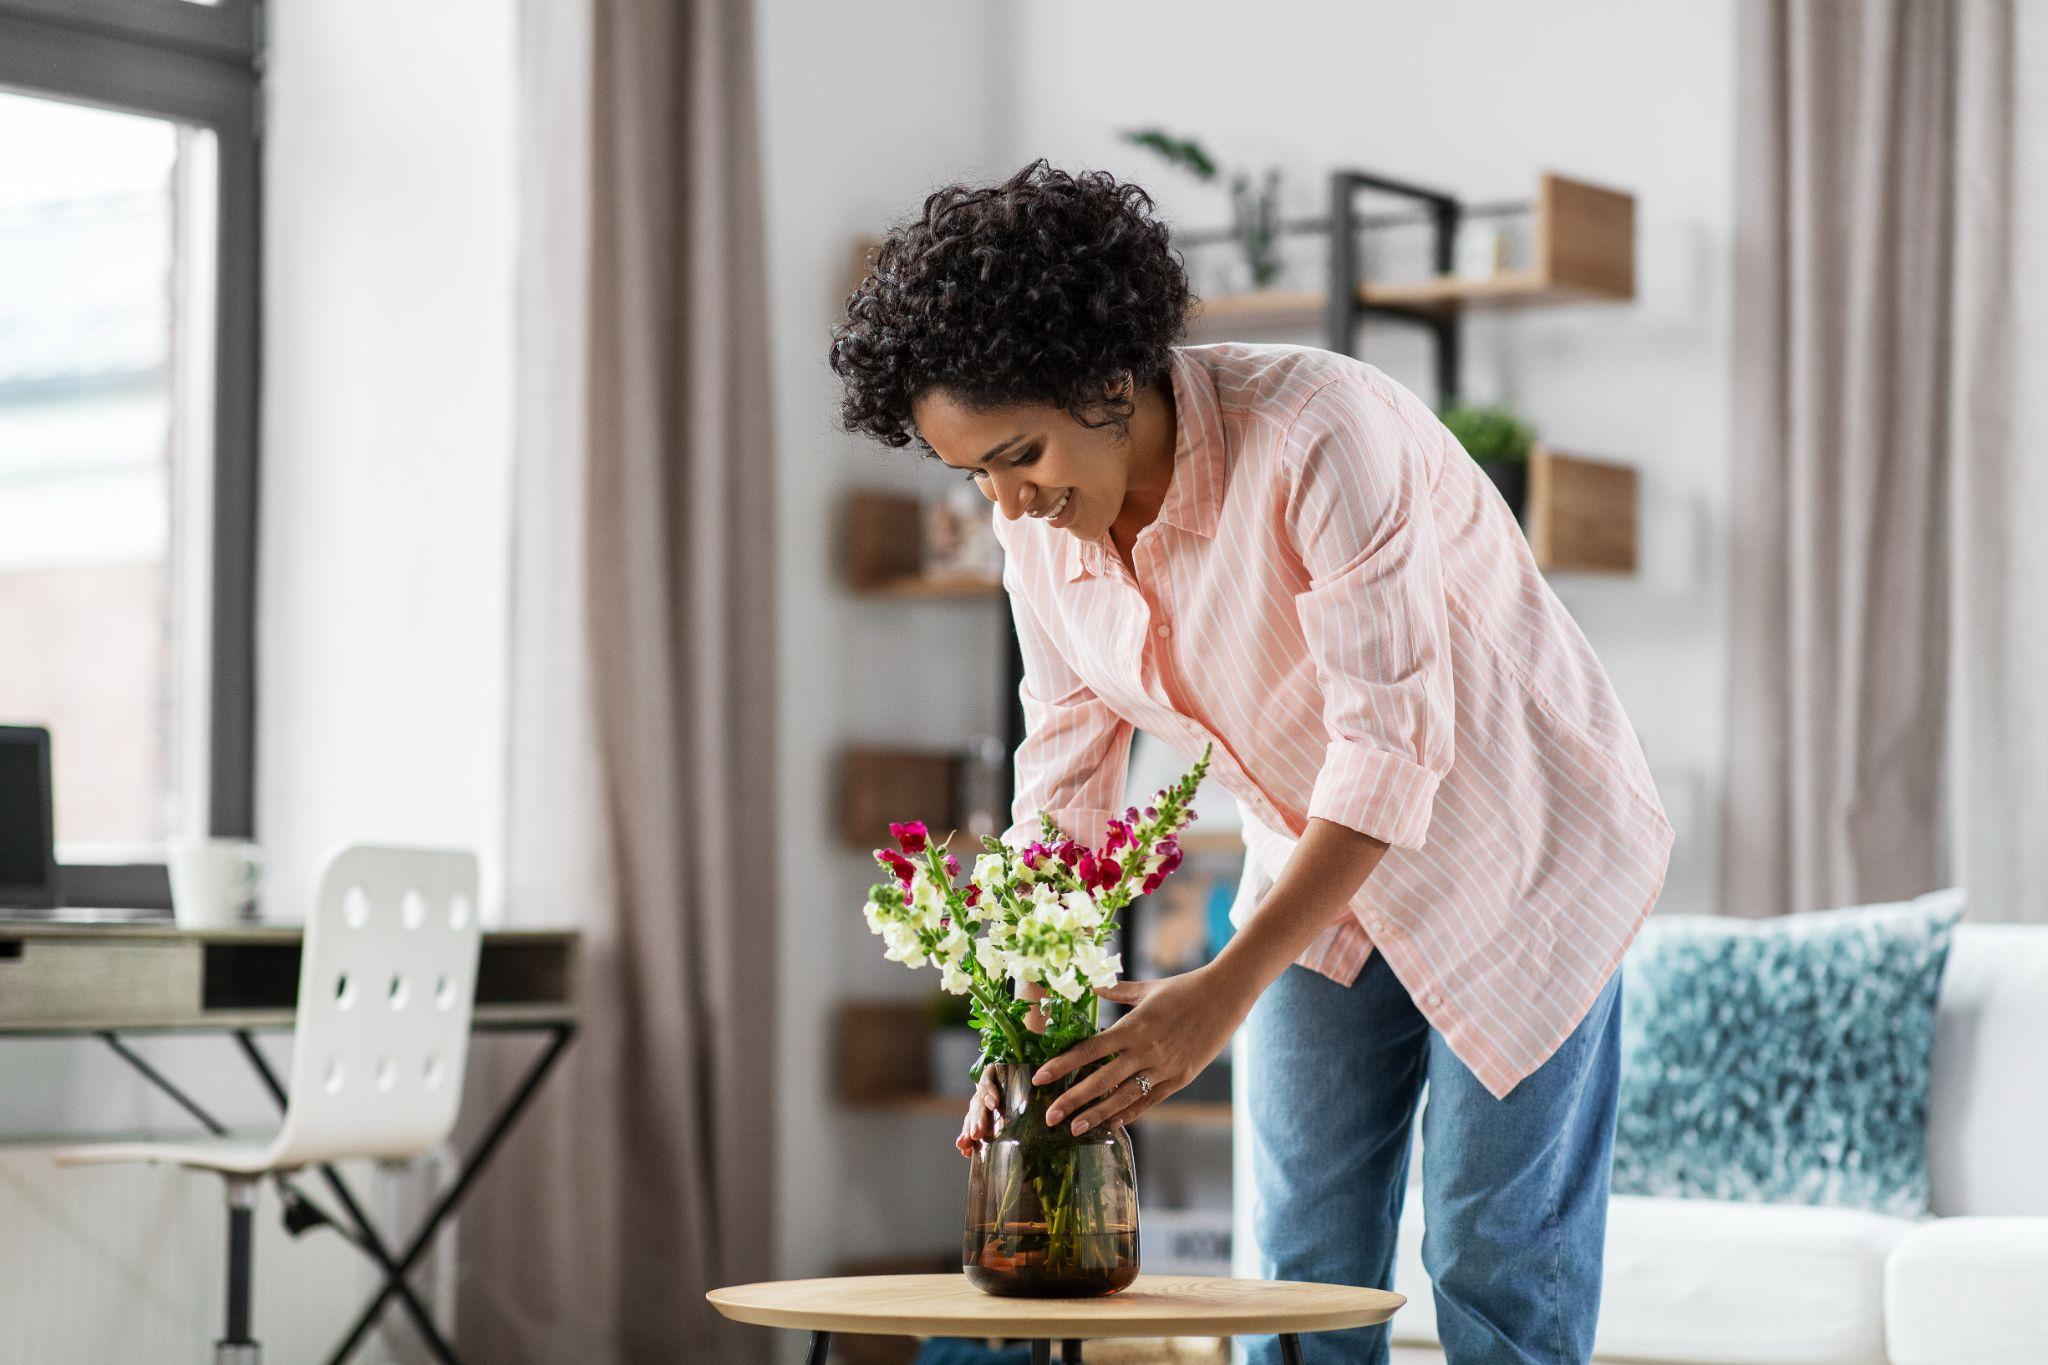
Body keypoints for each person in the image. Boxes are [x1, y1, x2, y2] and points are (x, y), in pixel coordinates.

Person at [829, 159, 1674, 1365]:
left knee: (1494, 1271)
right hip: (1317, 872)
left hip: (1518, 853)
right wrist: (1021, 1038)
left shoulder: (1321, 430)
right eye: (975, 474)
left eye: (1018, 454)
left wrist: (1212, 998)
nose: (1008, 505)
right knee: (1294, 1279)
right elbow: (1061, 792)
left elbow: (1389, 748)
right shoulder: (1039, 541)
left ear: (1103, 377)